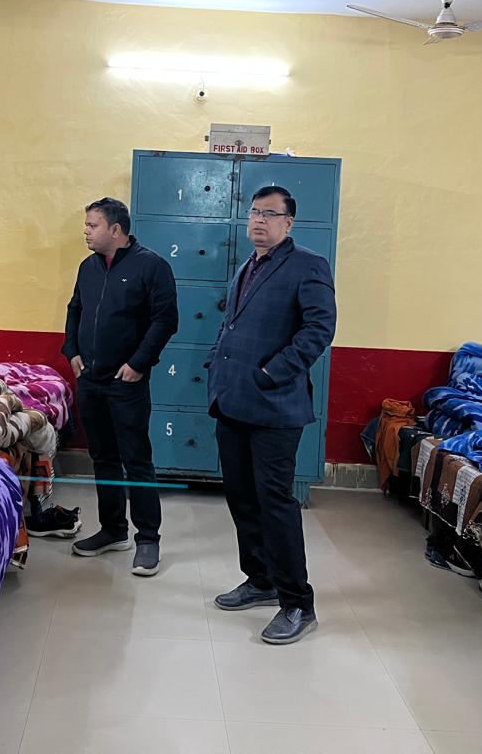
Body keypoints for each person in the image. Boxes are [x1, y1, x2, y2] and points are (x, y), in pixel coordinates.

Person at [206, 185, 337, 645]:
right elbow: (232, 324)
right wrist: (216, 363)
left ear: (289, 222)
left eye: (270, 213)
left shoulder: (308, 265)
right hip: (232, 401)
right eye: (254, 212)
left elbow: (319, 329)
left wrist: (271, 372)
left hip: (275, 406)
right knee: (241, 497)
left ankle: (298, 603)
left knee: (275, 503)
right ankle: (259, 579)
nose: (259, 220)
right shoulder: (248, 266)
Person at [62, 197, 178, 576]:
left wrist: (139, 363)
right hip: (91, 381)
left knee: (136, 460)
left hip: (126, 382)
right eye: (86, 224)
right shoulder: (88, 267)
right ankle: (113, 530)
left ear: (116, 230)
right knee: (103, 457)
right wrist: (71, 350)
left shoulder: (152, 267)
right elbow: (75, 309)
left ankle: (148, 539)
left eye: (92, 225)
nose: (86, 231)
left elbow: (165, 320)